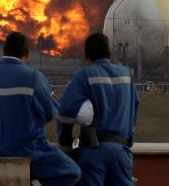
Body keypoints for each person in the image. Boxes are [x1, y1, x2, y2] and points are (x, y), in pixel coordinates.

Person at [0, 31, 81, 186]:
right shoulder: (33, 78)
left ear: (4, 50)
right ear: (27, 53)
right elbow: (51, 112)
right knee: (72, 172)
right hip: (30, 150)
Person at [56, 33, 138, 186]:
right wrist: (128, 140)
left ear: (87, 55)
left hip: (94, 152)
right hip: (122, 152)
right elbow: (134, 109)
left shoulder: (85, 75)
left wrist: (66, 143)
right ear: (109, 53)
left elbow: (64, 112)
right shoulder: (127, 75)